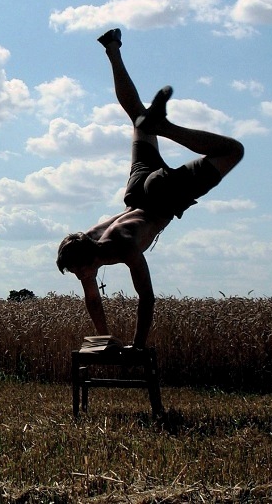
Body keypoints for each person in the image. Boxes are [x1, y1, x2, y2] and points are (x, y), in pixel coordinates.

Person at [57, 28, 244, 349]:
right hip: (136, 191)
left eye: (79, 271)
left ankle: (165, 127)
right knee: (138, 118)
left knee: (232, 151)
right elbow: (92, 299)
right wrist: (103, 338)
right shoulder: (86, 245)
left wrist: (138, 345)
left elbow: (146, 298)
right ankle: (112, 49)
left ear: (90, 259)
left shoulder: (123, 246)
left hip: (160, 198)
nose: (80, 276)